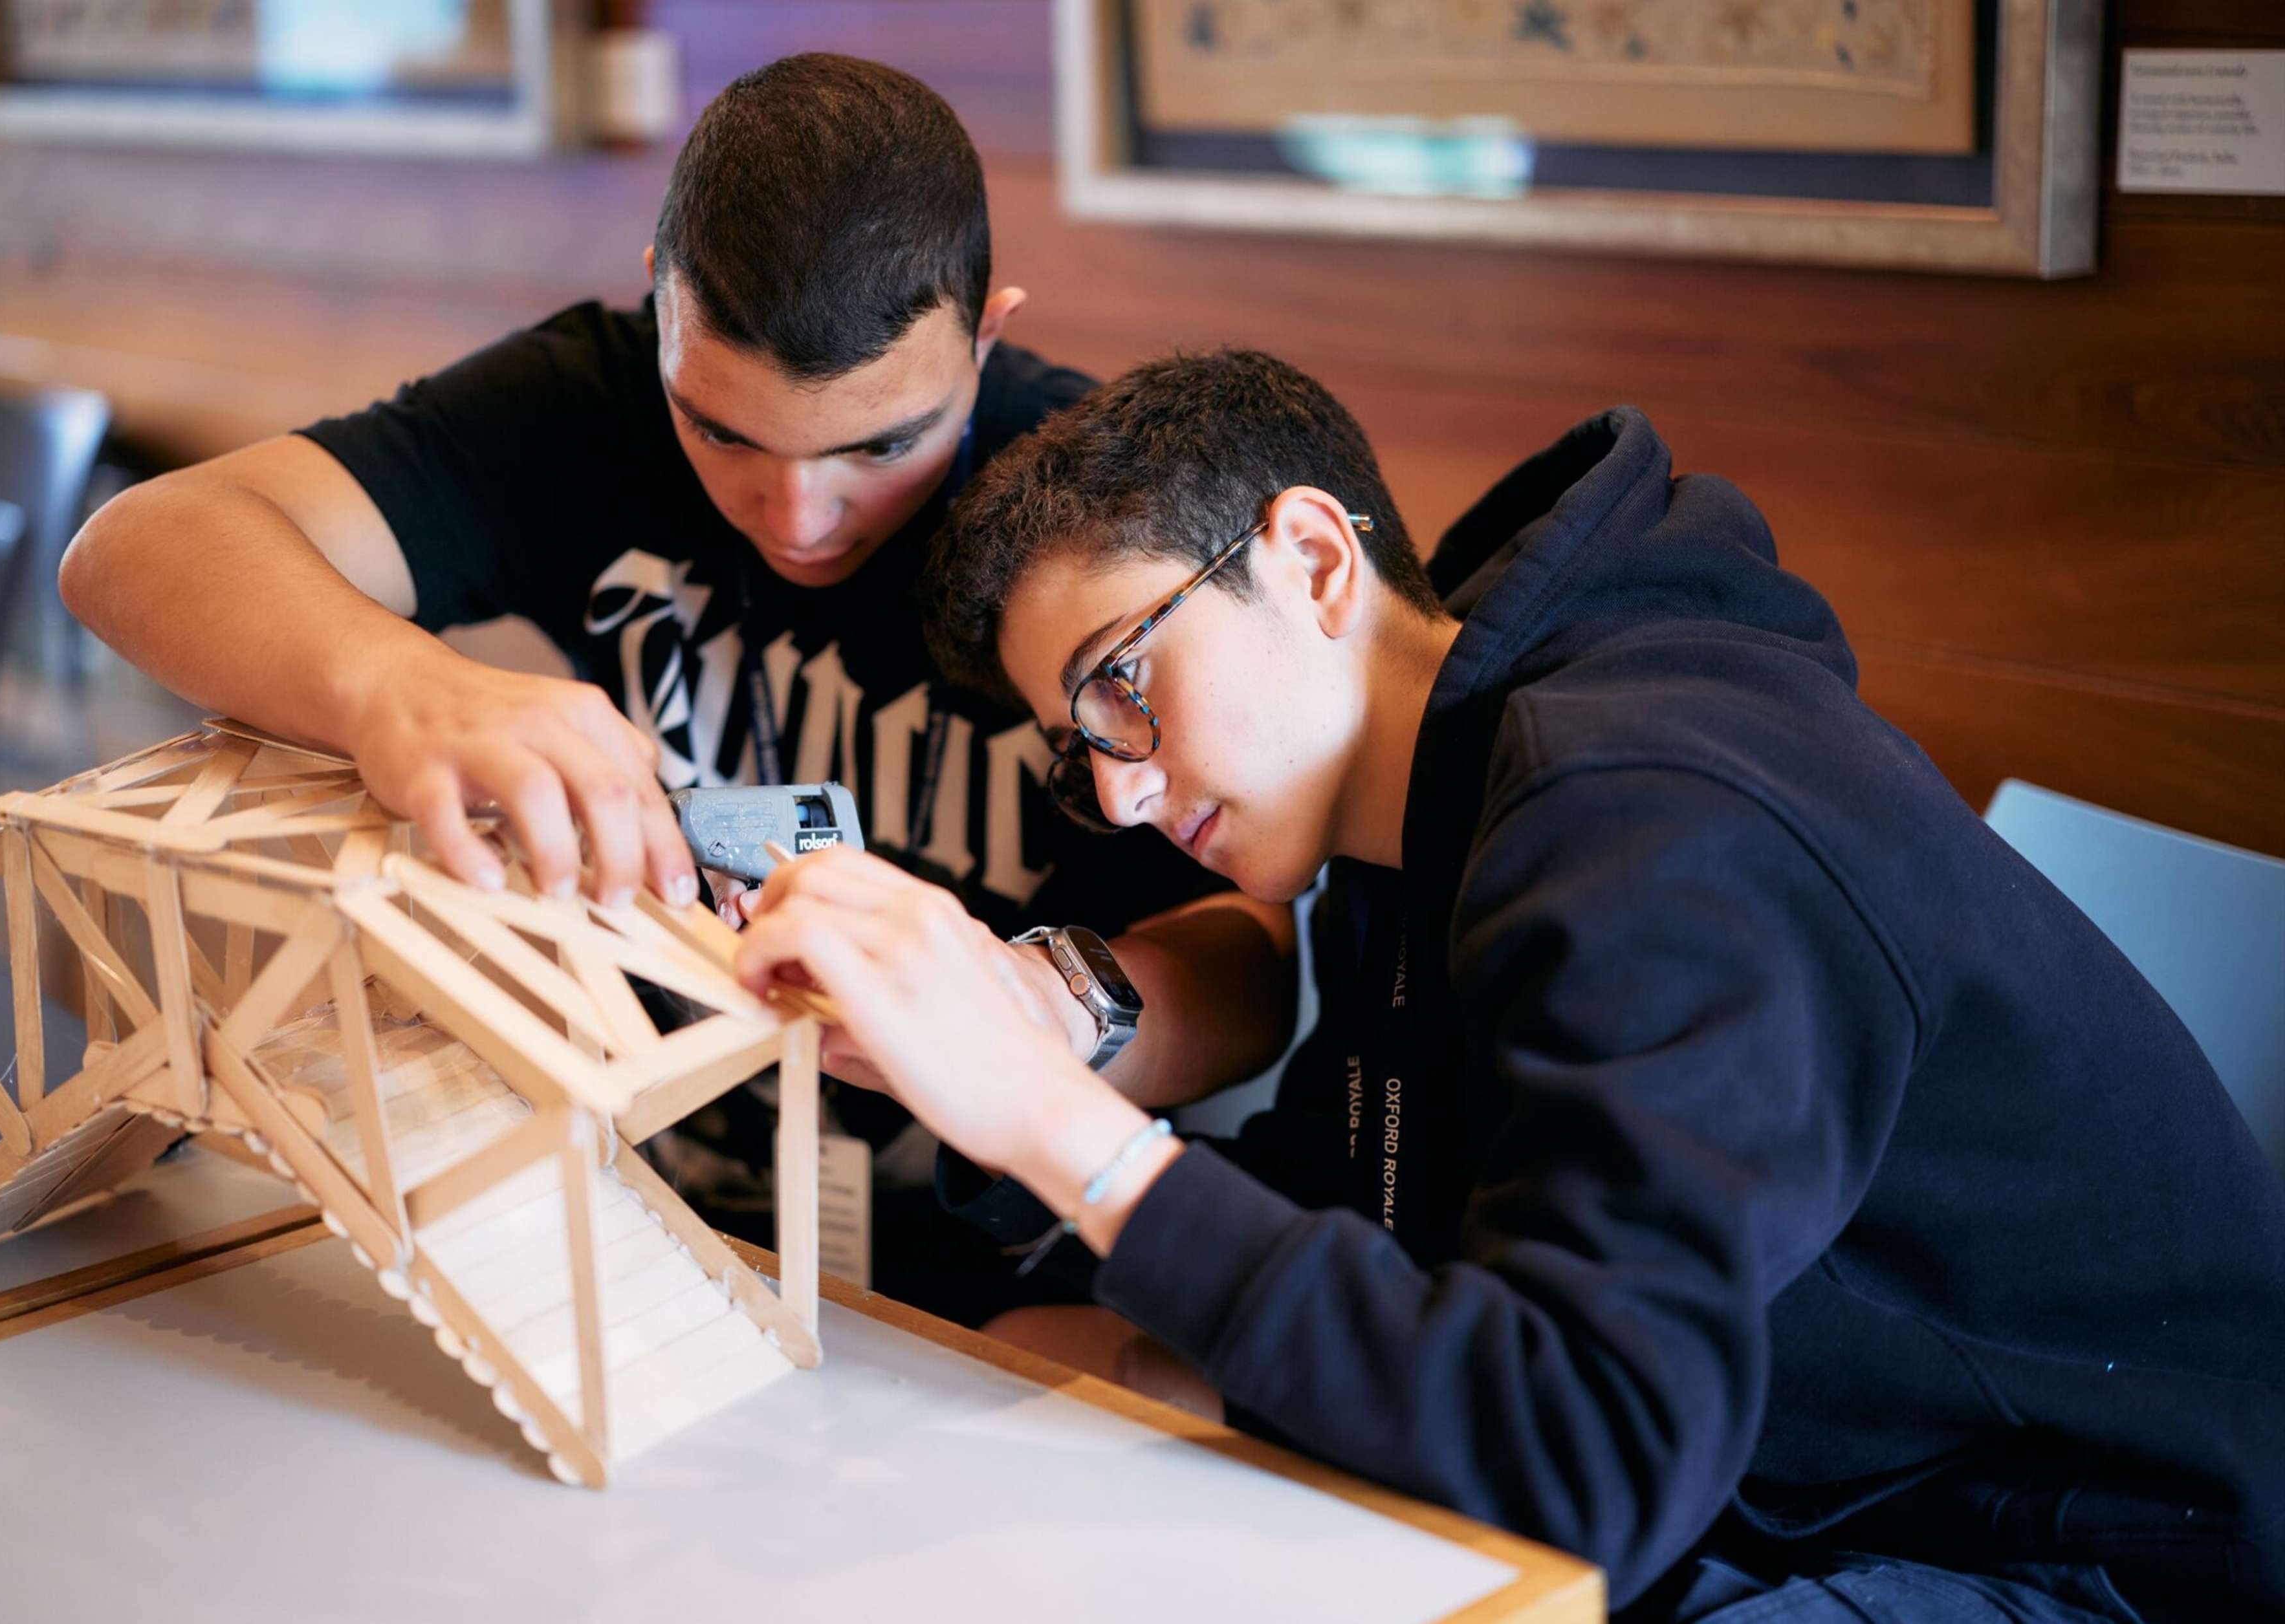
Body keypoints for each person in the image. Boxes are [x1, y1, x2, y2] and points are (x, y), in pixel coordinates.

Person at [726, 349, 2285, 1621]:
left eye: (1123, 685)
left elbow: (1582, 1455)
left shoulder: (1652, 821)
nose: (1124, 795)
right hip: (1773, 1486)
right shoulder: (1421, 816)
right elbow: (1389, 1219)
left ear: (1314, 558)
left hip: (2079, 1556)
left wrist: (1061, 1122)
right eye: (1084, 749)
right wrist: (1032, 1115)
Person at [58, 56, 1294, 1326]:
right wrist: (401, 685)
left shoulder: (1083, 500)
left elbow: (1257, 960)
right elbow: (133, 550)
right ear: (661, 311)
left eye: (883, 444)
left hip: (1019, 1277)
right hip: (655, 1222)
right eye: (722, 431)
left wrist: (1052, 1011)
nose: (799, 517)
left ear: (985, 333)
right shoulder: (587, 405)